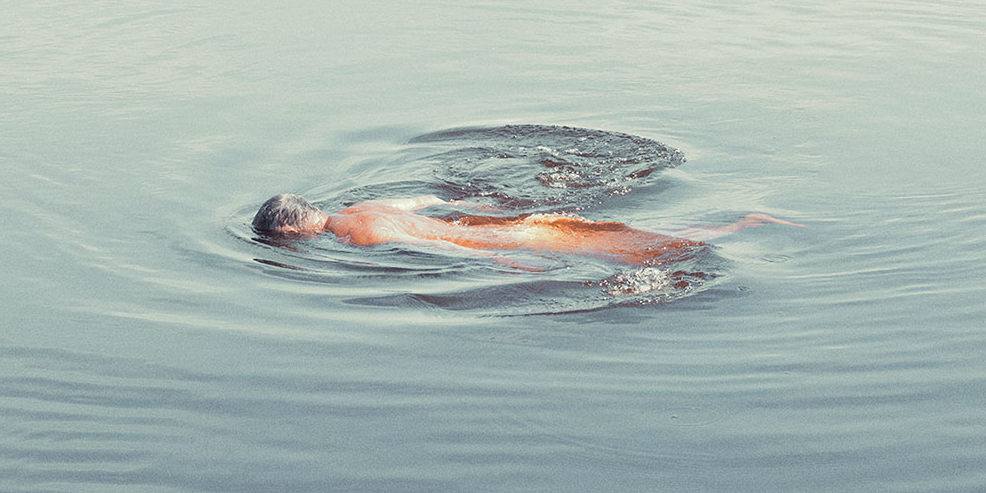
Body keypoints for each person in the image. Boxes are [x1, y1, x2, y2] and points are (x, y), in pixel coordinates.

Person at [250, 192, 784, 267]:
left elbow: (432, 246)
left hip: (508, 240)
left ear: (292, 233)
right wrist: (464, 204)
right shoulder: (362, 207)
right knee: (629, 235)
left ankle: (742, 225)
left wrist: (497, 260)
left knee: (647, 251)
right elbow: (426, 202)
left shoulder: (359, 237)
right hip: (516, 225)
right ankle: (741, 221)